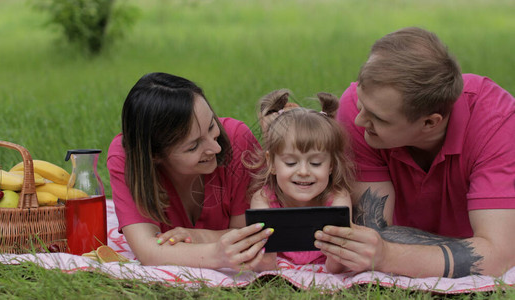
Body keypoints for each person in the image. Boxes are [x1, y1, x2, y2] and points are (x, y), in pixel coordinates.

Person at [313, 27, 515, 278]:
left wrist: (389, 256)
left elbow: (500, 258)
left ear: (430, 122)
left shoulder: (496, 123)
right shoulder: (359, 108)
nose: (359, 121)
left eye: (378, 119)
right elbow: (373, 235)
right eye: (361, 105)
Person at [107, 72, 273, 269]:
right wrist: (215, 255)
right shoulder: (126, 157)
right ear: (154, 155)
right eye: (193, 146)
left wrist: (198, 237)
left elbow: (252, 232)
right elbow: (148, 251)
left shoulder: (238, 141)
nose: (216, 148)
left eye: (212, 126)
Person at [248, 89, 355, 272]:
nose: (304, 172)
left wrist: (337, 257)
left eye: (315, 162)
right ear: (271, 162)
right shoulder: (264, 199)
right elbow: (263, 264)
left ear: (330, 165)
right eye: (291, 162)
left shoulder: (337, 199)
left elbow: (337, 264)